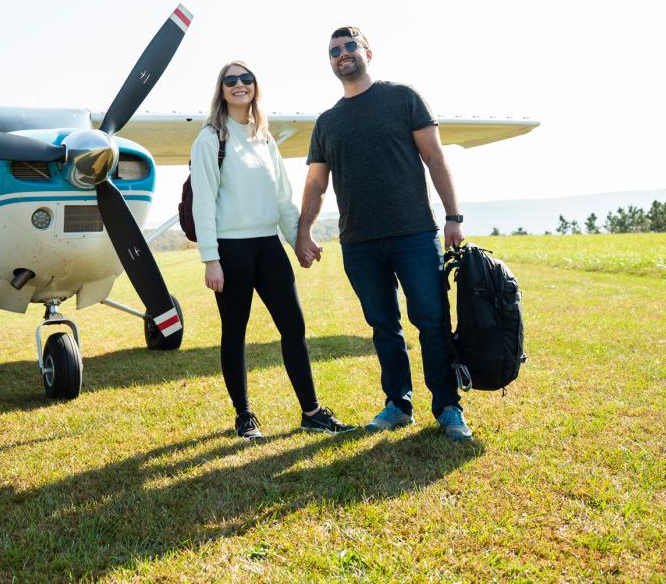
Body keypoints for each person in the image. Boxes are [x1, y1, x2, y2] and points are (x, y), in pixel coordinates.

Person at [295, 27, 474, 441]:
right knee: (383, 325)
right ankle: (398, 404)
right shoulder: (327, 122)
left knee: (431, 320)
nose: (342, 55)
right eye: (334, 51)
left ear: (367, 53)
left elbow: (434, 157)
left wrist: (453, 216)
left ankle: (448, 407)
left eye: (349, 47)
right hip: (358, 242)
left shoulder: (403, 98)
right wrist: (304, 231)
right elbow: (316, 184)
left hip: (413, 233)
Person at [191, 61, 355, 440]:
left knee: (293, 326)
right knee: (235, 332)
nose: (239, 85)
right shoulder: (210, 139)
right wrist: (210, 259)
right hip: (231, 251)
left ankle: (312, 413)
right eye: (230, 80)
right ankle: (244, 416)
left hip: (268, 246)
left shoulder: (263, 137)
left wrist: (299, 238)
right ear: (221, 90)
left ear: (255, 86)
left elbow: (282, 197)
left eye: (245, 79)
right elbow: (203, 203)